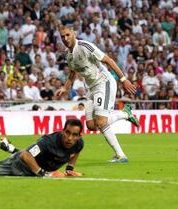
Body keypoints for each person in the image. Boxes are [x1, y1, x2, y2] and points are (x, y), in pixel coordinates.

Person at [56, 26, 140, 163]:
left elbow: (108, 60)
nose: (65, 39)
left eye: (67, 35)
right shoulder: (68, 54)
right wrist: (65, 88)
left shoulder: (85, 46)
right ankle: (125, 114)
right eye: (62, 37)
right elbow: (72, 72)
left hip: (104, 83)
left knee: (101, 122)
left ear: (74, 34)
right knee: (91, 125)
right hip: (91, 88)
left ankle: (121, 155)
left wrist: (123, 80)